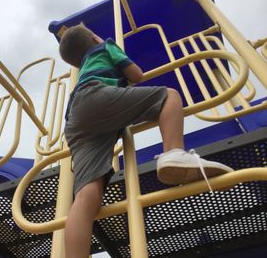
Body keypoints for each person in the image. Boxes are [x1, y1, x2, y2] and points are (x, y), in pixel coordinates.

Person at [59, 23, 233, 257]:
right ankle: (173, 152)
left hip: (74, 121)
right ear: (93, 38)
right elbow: (137, 74)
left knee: (86, 193)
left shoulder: (83, 70)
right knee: (169, 96)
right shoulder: (105, 46)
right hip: (96, 96)